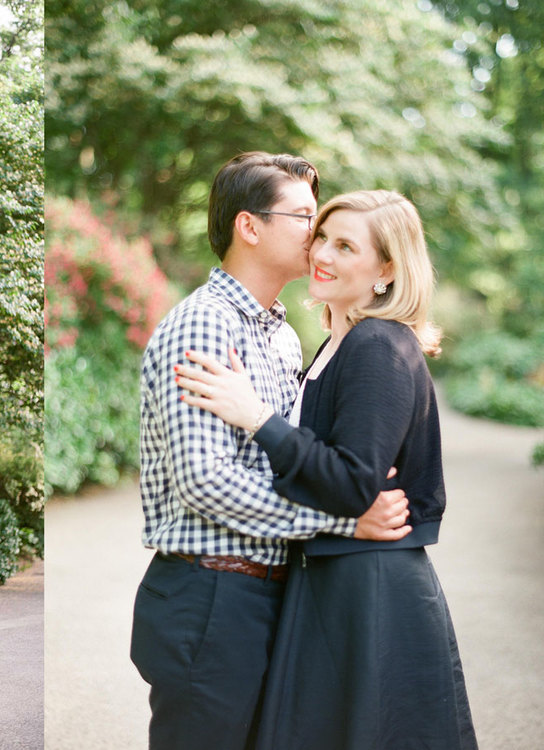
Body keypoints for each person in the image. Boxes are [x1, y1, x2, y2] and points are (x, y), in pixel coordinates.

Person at [130, 152, 412, 750]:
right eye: (305, 217)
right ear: (250, 227)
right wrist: (344, 520)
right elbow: (205, 481)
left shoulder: (281, 335)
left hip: (270, 591)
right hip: (211, 595)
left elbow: (294, 454)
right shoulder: (204, 325)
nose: (318, 234)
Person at [176, 189, 477, 749]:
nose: (323, 254)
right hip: (332, 579)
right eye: (322, 237)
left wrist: (256, 416)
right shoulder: (334, 345)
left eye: (346, 246)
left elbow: (353, 482)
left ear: (387, 269)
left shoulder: (378, 346)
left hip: (371, 588)